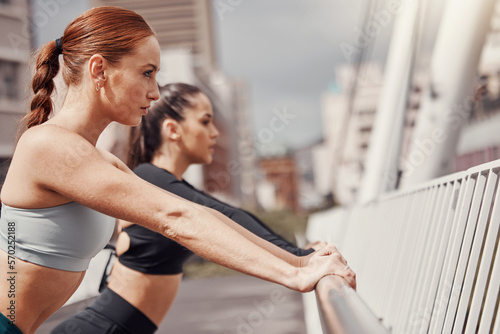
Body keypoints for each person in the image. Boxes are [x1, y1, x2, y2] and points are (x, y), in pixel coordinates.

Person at [0, 6, 354, 334]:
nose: (155, 92)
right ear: (99, 70)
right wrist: (294, 274)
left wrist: (300, 260)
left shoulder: (99, 160)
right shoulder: (47, 145)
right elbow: (175, 217)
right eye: (147, 73)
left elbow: (205, 213)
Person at [50, 83, 342, 333]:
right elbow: (227, 217)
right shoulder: (152, 179)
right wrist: (300, 259)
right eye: (205, 121)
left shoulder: (168, 183)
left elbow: (224, 218)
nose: (214, 133)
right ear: (172, 130)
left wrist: (300, 255)